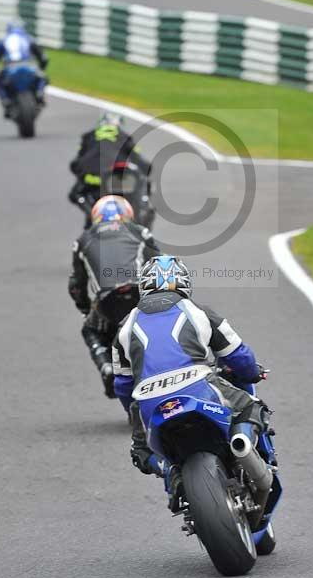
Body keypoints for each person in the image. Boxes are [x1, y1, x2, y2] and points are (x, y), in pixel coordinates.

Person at [112, 255, 270, 475]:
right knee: (252, 407)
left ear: (143, 286)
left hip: (149, 400)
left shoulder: (124, 326)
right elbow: (238, 355)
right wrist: (252, 373)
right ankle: (242, 445)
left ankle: (169, 471)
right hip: (197, 385)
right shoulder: (199, 311)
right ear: (184, 282)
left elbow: (122, 384)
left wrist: (136, 410)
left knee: (140, 451)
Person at [68, 194, 159, 398]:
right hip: (141, 295)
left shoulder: (82, 240)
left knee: (90, 329)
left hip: (107, 300)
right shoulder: (141, 232)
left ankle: (107, 367)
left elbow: (76, 285)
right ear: (127, 214)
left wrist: (85, 308)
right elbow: (161, 265)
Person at [68, 112, 152, 223]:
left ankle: (93, 219)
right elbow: (143, 164)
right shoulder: (123, 136)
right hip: (118, 180)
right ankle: (139, 224)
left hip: (93, 181)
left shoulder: (88, 136)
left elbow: (75, 164)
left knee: (75, 194)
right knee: (143, 187)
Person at [0, 20, 48, 116]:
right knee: (43, 78)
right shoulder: (30, 39)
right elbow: (44, 59)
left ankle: (6, 100)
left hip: (10, 67)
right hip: (29, 65)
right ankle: (39, 93)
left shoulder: (3, 40)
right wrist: (41, 69)